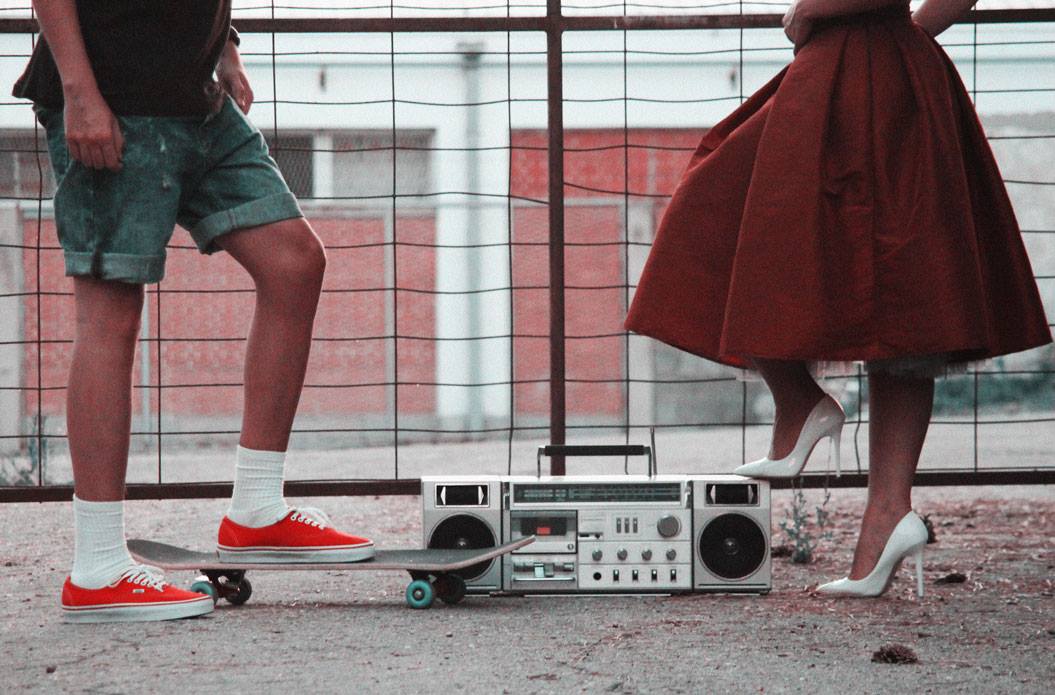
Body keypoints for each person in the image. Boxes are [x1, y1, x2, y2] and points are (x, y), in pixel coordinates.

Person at [625, 0, 1051, 597]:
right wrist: (908, 37)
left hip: (851, 68)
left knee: (895, 295)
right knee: (902, 291)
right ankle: (858, 476)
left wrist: (810, 11)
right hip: (879, 70)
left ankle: (874, 500)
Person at [14, 1, 375, 623]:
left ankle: (256, 509)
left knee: (293, 264)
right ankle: (98, 568)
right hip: (114, 98)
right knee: (110, 310)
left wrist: (225, 47)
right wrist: (80, 93)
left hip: (198, 100)